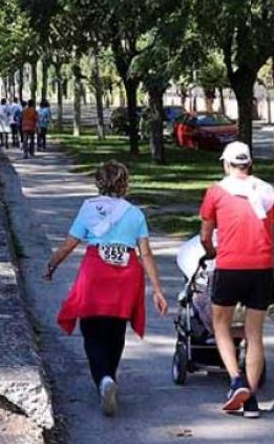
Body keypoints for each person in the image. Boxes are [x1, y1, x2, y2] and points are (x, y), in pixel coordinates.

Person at [44, 162, 168, 417]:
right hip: (126, 277)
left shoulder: (88, 209)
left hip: (95, 273)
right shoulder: (134, 214)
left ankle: (103, 380)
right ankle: (110, 376)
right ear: (125, 184)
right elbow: (145, 253)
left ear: (98, 182)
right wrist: (157, 289)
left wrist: (51, 266)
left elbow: (69, 245)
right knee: (115, 330)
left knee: (92, 332)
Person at [199, 141, 274, 419]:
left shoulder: (216, 192)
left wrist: (214, 252)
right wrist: (261, 249)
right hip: (261, 268)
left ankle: (236, 380)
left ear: (227, 164)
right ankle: (251, 398)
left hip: (229, 266)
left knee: (220, 324)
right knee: (254, 334)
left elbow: (204, 236)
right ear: (249, 163)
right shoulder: (270, 191)